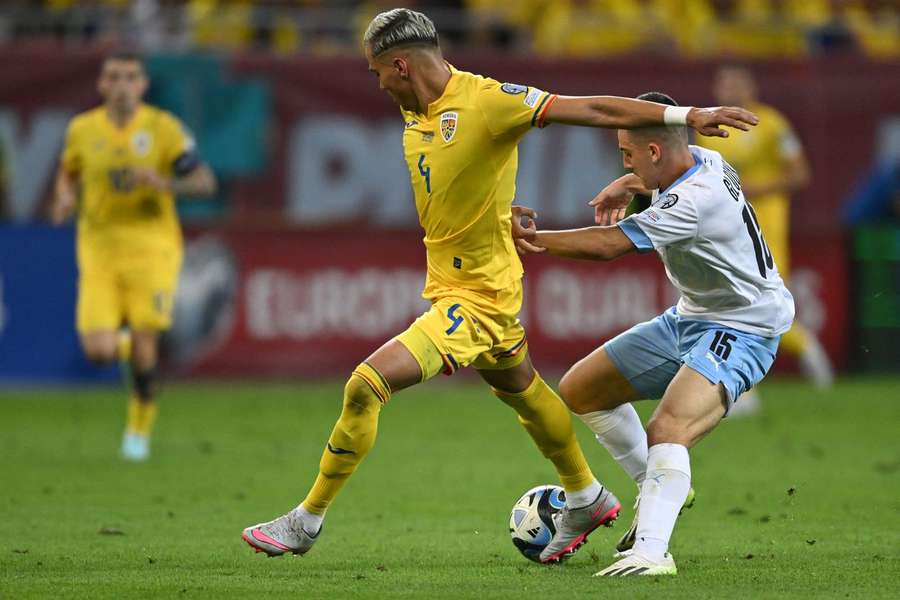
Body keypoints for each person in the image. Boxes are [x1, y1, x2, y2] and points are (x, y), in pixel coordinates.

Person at [241, 9, 758, 564]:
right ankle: (586, 495)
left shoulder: (487, 102)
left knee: (366, 385)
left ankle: (306, 521)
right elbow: (459, 190)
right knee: (526, 391)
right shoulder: (419, 114)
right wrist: (494, 213)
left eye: (377, 73)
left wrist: (688, 113)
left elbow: (594, 109)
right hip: (456, 285)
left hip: (477, 299)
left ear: (399, 64)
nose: (379, 84)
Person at [510, 92, 794, 576]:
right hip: (692, 317)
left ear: (655, 151)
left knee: (668, 429)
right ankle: (657, 486)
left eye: (627, 153)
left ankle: (652, 551)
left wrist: (525, 240)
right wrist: (631, 182)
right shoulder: (706, 158)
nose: (625, 160)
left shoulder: (694, 201)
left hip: (745, 326)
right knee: (582, 388)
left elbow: (607, 245)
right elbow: (670, 171)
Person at [52, 51, 217, 461]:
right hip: (99, 247)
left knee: (146, 344)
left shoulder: (163, 129)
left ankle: (137, 434)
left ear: (142, 86)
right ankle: (124, 340)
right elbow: (67, 172)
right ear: (102, 85)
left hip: (152, 247)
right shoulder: (82, 129)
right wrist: (64, 196)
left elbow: (203, 182)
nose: (122, 84)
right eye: (114, 77)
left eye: (130, 77)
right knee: (99, 352)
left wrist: (164, 182)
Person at [697, 65, 833, 408]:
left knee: (760, 300)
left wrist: (757, 188)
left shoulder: (772, 124)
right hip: (724, 226)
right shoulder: (707, 128)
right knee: (727, 300)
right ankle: (743, 386)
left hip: (766, 223)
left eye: (736, 81)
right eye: (724, 82)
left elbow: (800, 174)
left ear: (750, 86)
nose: (730, 88)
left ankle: (802, 351)